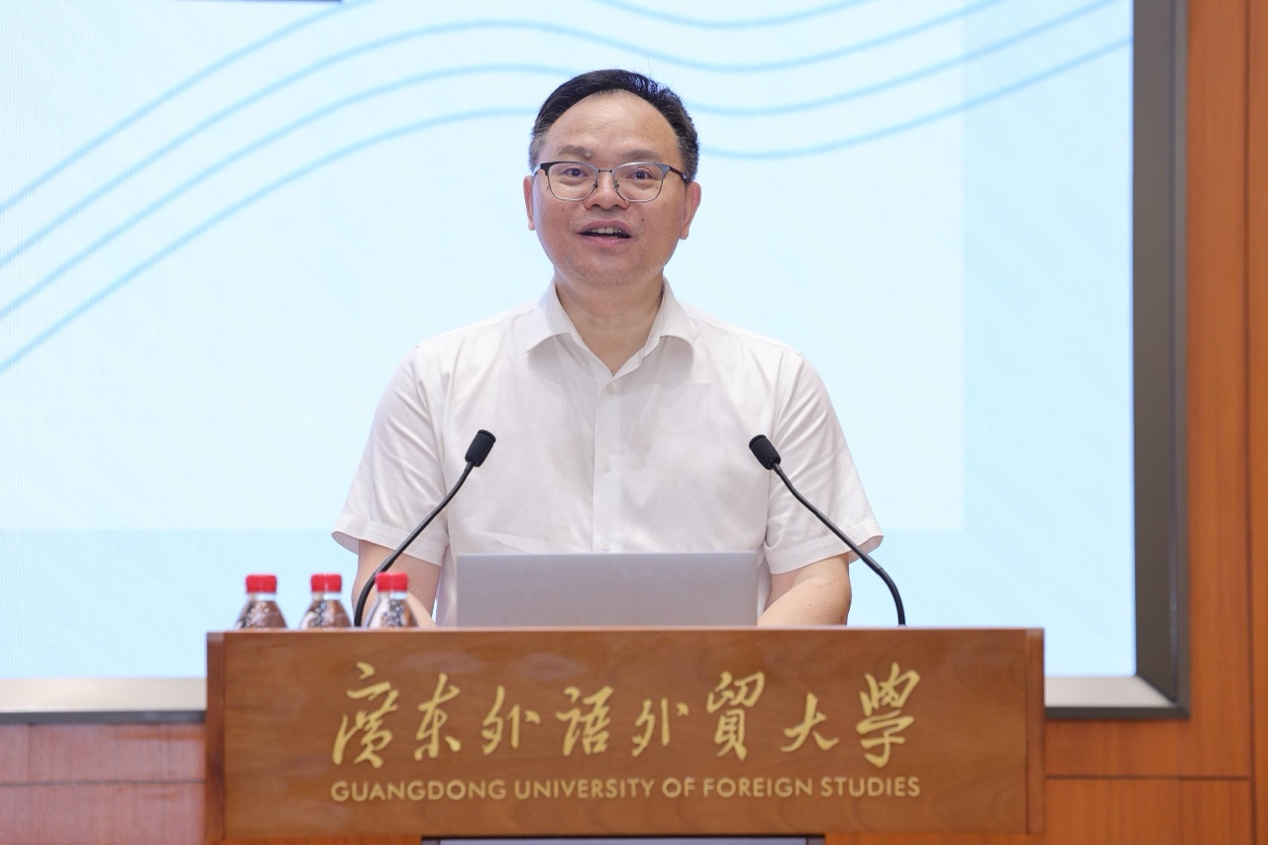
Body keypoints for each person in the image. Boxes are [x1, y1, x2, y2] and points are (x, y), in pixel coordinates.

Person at [334, 69, 881, 627]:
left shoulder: (777, 380)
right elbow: (389, 590)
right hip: (491, 690)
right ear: (530, 202)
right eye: (573, 172)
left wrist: (724, 673)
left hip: (717, 687)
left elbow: (817, 581)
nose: (605, 197)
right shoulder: (436, 378)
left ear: (688, 208)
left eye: (640, 175)